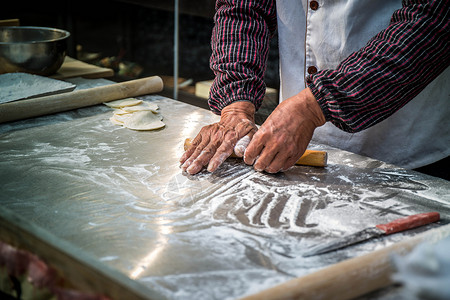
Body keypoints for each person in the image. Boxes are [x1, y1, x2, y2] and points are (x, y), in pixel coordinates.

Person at [180, 0, 449, 177]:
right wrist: (236, 102)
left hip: (405, 145)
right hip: (288, 153)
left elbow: (433, 20)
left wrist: (314, 106)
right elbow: (243, 8)